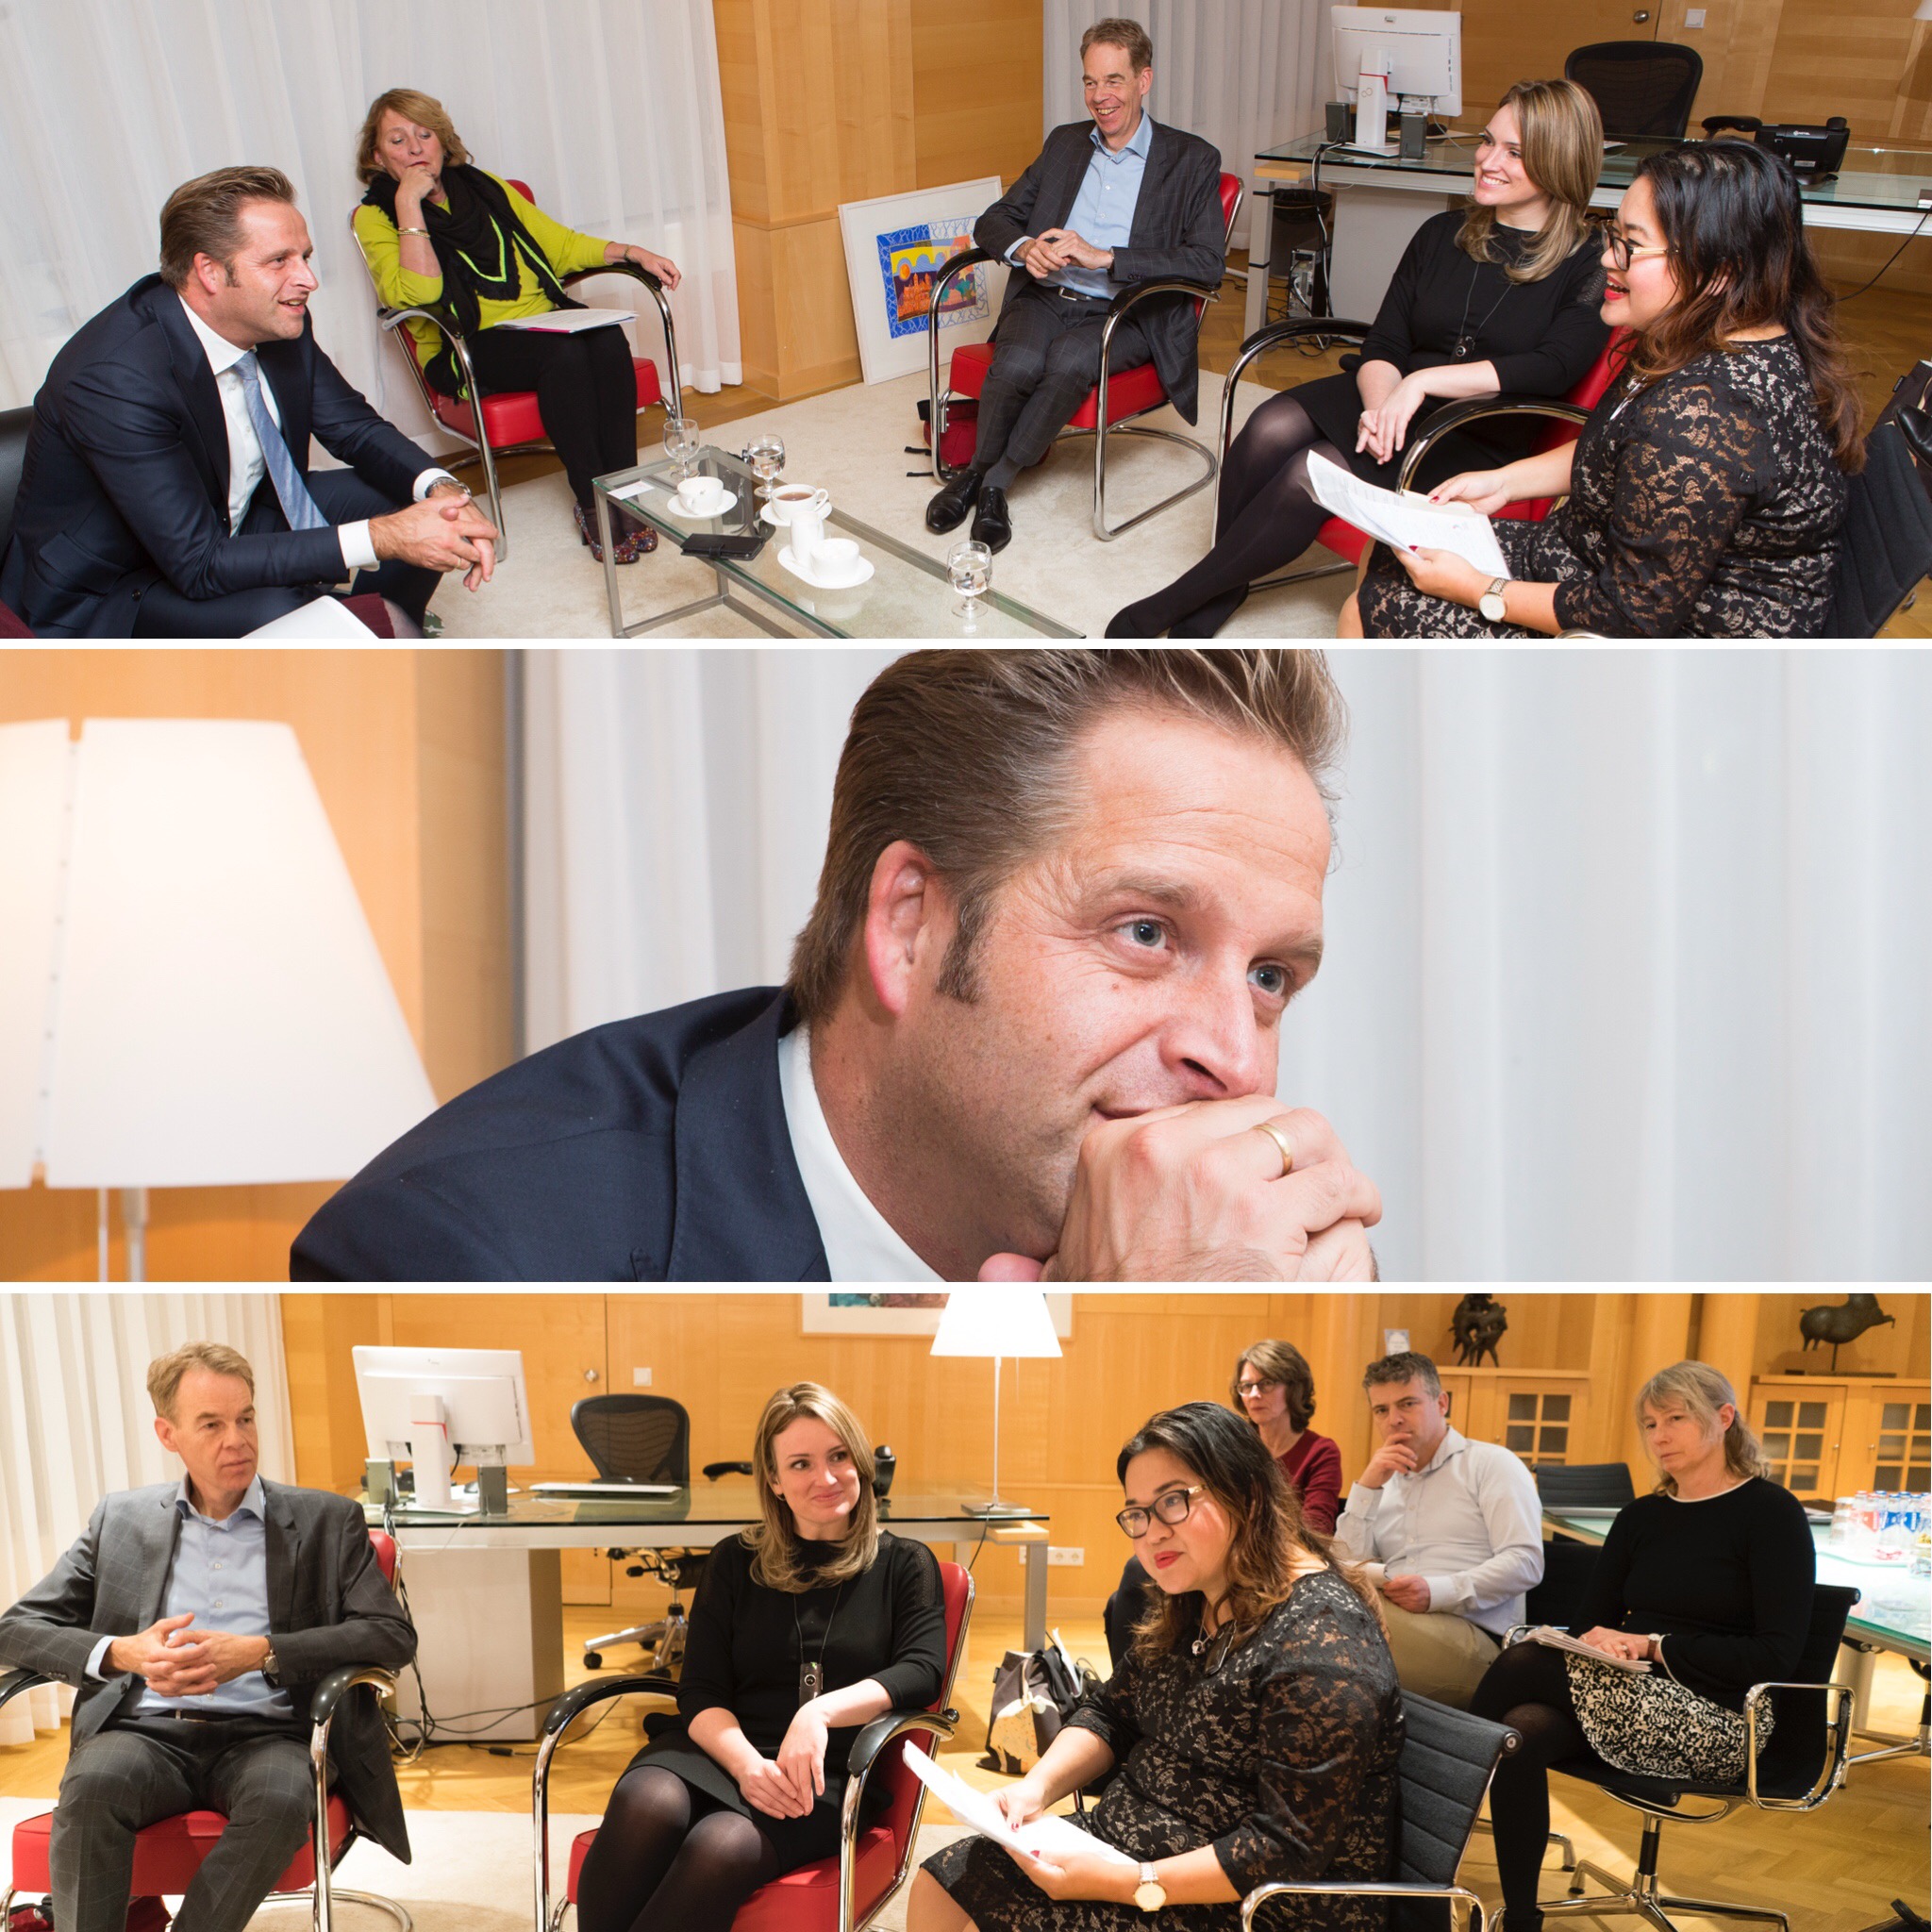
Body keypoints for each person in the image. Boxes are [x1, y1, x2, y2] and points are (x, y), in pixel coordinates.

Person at [291, 649, 1382, 1283]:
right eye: (1145, 932)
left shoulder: (1244, 1247)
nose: (1237, 1061)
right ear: (908, 925)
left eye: (1269, 976)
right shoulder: (457, 1250)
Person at [1109, 79, 1608, 638]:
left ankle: (1169, 606)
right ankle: (1223, 586)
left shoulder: (1590, 262)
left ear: (1559, 162)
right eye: (1488, 141)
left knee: (1309, 471)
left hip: (1474, 427)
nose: (1488, 161)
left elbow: (1555, 365)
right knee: (1268, 425)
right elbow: (1386, 342)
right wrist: (1380, 407)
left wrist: (1421, 385)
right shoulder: (1442, 232)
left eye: (1514, 153)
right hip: (1392, 395)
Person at [908, 1401, 1402, 1932]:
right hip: (1133, 1852)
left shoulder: (1323, 1639)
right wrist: (1036, 1788)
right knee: (945, 1880)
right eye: (1138, 1514)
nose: (1151, 1533)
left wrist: (1124, 1882)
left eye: (1173, 1501)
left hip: (1254, 1904)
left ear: (1248, 1494)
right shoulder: (1196, 1601)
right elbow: (1110, 1713)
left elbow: (1286, 1846)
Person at [1350, 138, 1860, 637]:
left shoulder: (1707, 414)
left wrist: (1477, 588)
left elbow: (1631, 615)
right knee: (1393, 549)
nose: (1607, 260)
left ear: (1718, 274)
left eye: (1631, 246)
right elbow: (1620, 447)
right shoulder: (1703, 335)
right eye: (1613, 234)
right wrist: (1503, 483)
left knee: (1372, 605)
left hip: (1674, 639)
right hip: (1595, 559)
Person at [0, 1343, 416, 1932]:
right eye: (212, 1425)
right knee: (92, 1787)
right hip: (145, 1733)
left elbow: (391, 1635)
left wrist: (262, 1653)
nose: (237, 1440)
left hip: (269, 1734)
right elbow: (15, 1630)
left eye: (245, 1418)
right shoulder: (121, 1520)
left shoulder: (327, 1519)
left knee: (279, 1801)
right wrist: (122, 1652)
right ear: (168, 1434)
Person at [0, 165, 498, 638]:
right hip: (120, 585)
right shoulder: (114, 378)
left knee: (414, 505)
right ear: (210, 272)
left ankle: (385, 627)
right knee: (288, 611)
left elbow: (354, 427)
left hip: (233, 516)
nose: (307, 280)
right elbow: (198, 563)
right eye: (279, 260)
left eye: (305, 256)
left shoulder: (277, 317)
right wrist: (385, 536)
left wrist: (442, 490)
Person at [575, 1382, 947, 1932]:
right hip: (719, 1747)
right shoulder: (734, 1560)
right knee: (646, 1803)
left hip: (820, 1777)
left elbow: (922, 1670)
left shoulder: (906, 1564)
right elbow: (700, 1689)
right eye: (801, 1464)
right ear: (773, 1480)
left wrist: (818, 1712)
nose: (826, 1478)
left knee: (720, 1844)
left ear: (861, 1461)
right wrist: (746, 1766)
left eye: (839, 1455)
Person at [1472, 1362, 1816, 1932]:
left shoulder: (1771, 1513)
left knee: (1525, 1660)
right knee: (1521, 1730)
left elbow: (1775, 1655)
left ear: (1724, 1418)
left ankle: (1432, 1807)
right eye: (1650, 1424)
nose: (1659, 1436)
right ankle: (1521, 1921)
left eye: (1676, 1419)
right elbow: (1588, 1624)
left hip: (1724, 1718)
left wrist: (1655, 1647)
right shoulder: (1640, 1517)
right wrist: (1599, 1641)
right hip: (1628, 1696)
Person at [923, 19, 1225, 555]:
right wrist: (1025, 248)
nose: (1099, 96)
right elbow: (995, 219)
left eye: (1113, 81)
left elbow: (1206, 263)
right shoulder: (1065, 143)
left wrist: (1106, 257)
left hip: (1123, 312)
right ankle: (977, 478)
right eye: (1090, 82)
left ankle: (991, 482)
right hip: (1045, 295)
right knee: (1017, 363)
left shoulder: (1191, 159)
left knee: (1067, 362)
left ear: (1144, 80)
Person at [353, 88, 682, 567]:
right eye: (397, 140)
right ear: (378, 156)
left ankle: (622, 491)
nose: (416, 148)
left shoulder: (485, 187)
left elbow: (559, 245)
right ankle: (592, 500)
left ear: (443, 140)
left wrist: (633, 252)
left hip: (541, 321)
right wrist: (408, 205)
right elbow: (419, 295)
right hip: (466, 343)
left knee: (606, 337)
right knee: (563, 353)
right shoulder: (376, 216)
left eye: (425, 134)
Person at [1105, 1339, 1343, 1665]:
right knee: (1137, 1575)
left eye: (1266, 1384)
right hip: (1225, 1558)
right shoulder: (1223, 1444)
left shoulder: (1318, 1451)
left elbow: (1317, 1523)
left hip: (1271, 1550)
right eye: (1246, 1386)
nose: (1254, 1394)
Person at [1330, 1351, 1543, 1709]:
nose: (1394, 1420)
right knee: (1328, 1601)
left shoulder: (1492, 1465)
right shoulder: (1383, 1484)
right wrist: (1366, 1488)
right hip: (1399, 1629)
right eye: (1381, 1410)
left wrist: (1436, 1591)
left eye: (1407, 1403)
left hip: (1479, 1645)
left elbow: (1526, 1563)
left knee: (1335, 1618)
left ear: (1441, 1403)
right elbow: (1345, 1565)